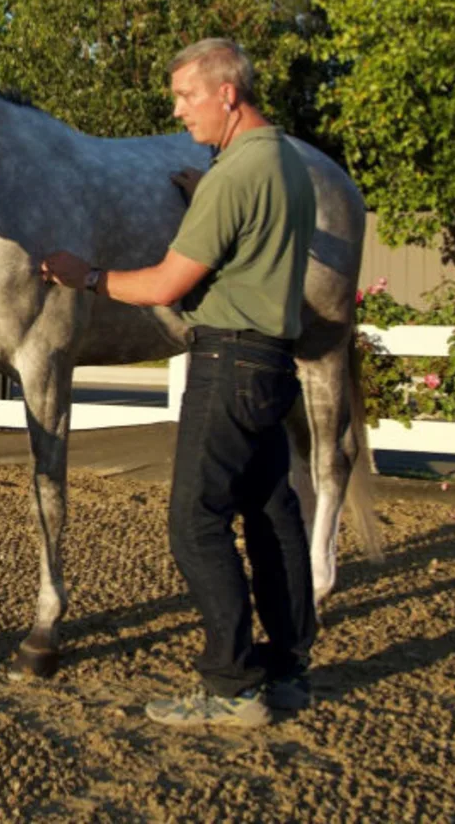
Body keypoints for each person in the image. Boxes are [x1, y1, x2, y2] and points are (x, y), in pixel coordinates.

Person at [41, 38, 317, 729]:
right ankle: (288, 667)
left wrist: (90, 276)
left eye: (187, 96)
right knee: (272, 513)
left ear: (228, 93)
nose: (178, 112)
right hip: (274, 361)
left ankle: (230, 684)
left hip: (226, 361)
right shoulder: (285, 159)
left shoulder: (230, 176)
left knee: (195, 523)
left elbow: (167, 283)